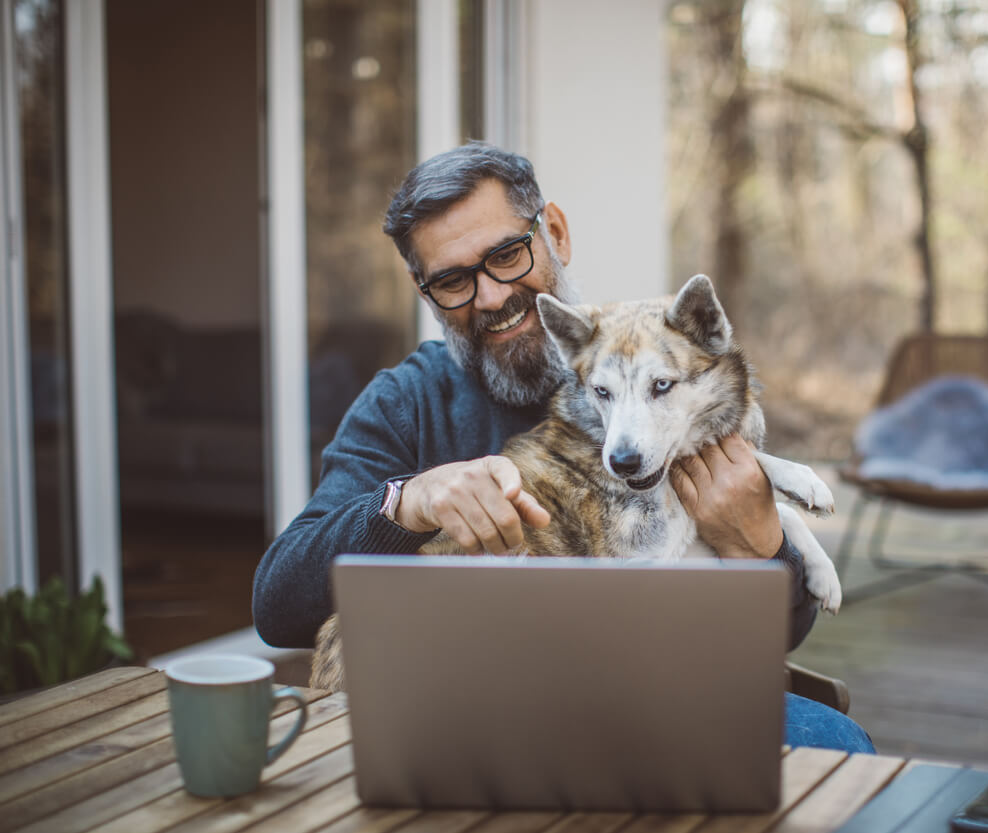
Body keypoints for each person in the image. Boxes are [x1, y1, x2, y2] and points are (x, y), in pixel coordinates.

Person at [252, 141, 874, 754]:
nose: (491, 296)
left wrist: (762, 545)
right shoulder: (404, 404)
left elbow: (783, 635)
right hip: (471, 706)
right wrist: (405, 503)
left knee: (837, 746)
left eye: (505, 255)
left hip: (662, 694)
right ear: (426, 294)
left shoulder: (664, 375)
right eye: (452, 280)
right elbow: (279, 606)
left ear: (554, 232)